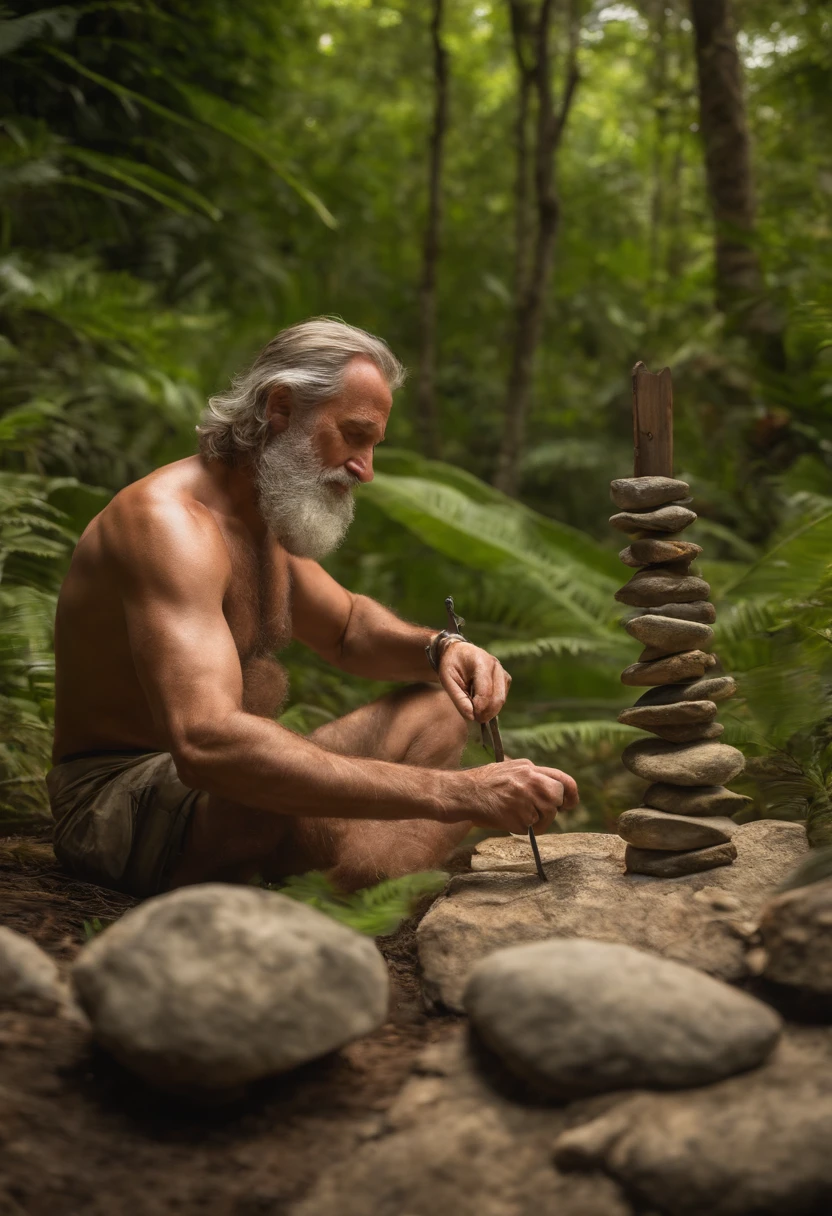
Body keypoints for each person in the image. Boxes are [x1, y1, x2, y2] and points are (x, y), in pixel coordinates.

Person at [47, 318, 578, 897]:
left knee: (445, 705)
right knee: (259, 781)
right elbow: (207, 744)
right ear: (280, 407)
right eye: (353, 435)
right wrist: (458, 793)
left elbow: (348, 629)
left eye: (373, 445)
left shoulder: (260, 518)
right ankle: (347, 895)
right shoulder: (169, 525)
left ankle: (350, 895)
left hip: (216, 790)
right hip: (116, 802)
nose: (365, 469)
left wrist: (442, 648)